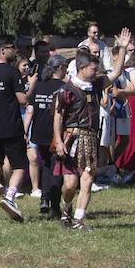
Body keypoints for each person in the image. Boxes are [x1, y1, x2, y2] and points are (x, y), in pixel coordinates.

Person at [0, 38, 36, 222]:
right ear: (2, 50)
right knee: (20, 166)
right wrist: (32, 84)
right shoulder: (11, 72)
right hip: (10, 127)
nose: (16, 50)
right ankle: (9, 198)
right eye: (12, 48)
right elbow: (22, 100)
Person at [53, 55, 104, 231]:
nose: (96, 72)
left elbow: (116, 73)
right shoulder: (66, 90)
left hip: (90, 138)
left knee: (87, 180)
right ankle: (66, 209)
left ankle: (78, 220)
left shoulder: (95, 87)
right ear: (82, 68)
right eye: (93, 68)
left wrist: (121, 49)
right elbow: (58, 117)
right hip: (71, 139)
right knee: (69, 185)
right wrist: (59, 142)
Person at [26, 56, 67, 216]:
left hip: (38, 131)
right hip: (55, 134)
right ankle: (55, 206)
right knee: (56, 168)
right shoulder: (64, 88)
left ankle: (44, 199)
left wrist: (26, 130)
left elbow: (31, 108)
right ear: (61, 68)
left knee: (47, 167)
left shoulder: (39, 86)